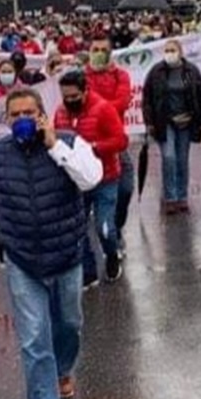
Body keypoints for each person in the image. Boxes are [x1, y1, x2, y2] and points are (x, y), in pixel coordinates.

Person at [0, 89, 103, 399]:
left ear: (43, 115)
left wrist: (53, 146)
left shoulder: (69, 143)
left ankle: (63, 370)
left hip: (66, 253)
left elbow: (91, 178)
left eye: (29, 112)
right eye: (15, 114)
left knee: (69, 322)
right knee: (33, 335)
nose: (22, 119)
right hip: (22, 257)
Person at [54, 71, 128, 286]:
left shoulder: (104, 109)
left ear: (85, 91)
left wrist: (93, 148)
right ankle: (88, 271)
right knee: (77, 229)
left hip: (106, 177)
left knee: (104, 227)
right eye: (65, 97)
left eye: (74, 96)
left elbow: (120, 141)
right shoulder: (60, 113)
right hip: (76, 180)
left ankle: (111, 254)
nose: (69, 101)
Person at [142, 39, 201, 214]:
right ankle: (170, 197)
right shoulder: (156, 71)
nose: (169, 53)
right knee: (169, 157)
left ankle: (182, 197)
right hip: (164, 122)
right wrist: (149, 121)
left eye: (173, 50)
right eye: (167, 50)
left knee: (182, 160)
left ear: (180, 52)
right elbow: (147, 97)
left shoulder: (191, 71)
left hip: (186, 122)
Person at [84, 36, 134, 243]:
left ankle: (116, 226)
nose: (99, 53)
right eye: (95, 49)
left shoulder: (121, 75)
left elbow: (122, 102)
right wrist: (107, 107)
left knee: (125, 189)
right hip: (87, 144)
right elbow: (85, 102)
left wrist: (99, 109)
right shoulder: (82, 76)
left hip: (115, 142)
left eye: (104, 49)